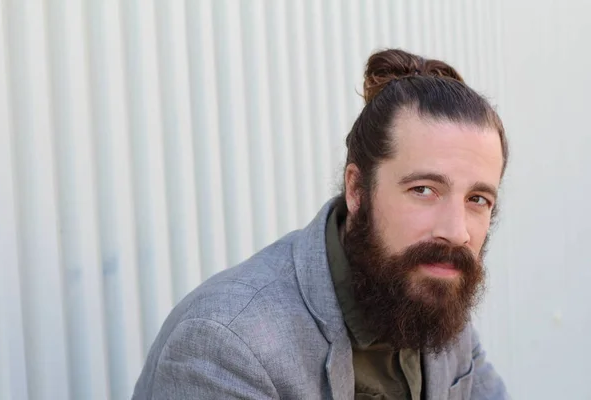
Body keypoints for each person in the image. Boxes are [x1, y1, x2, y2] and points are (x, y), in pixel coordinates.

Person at [133, 48, 509, 400]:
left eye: (477, 200)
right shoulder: (227, 344)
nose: (457, 231)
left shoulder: (431, 294)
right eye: (424, 189)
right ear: (358, 190)